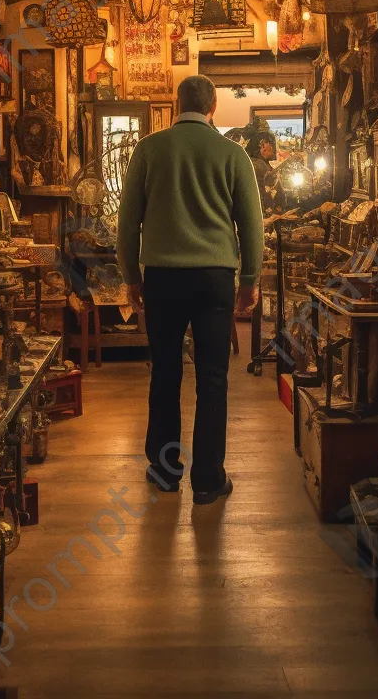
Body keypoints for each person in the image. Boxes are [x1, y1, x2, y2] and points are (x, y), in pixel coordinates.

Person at [117, 75, 264, 505]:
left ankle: (165, 472)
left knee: (165, 373)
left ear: (176, 104)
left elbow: (127, 223)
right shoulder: (233, 155)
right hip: (215, 278)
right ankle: (207, 479)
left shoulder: (149, 150)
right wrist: (250, 281)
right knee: (213, 378)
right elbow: (251, 225)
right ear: (213, 107)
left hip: (162, 277)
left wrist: (131, 276)